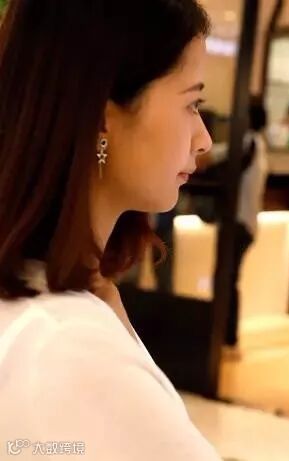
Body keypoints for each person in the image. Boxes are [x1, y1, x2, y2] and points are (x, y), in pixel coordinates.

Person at [0, 1, 221, 459]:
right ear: (103, 117)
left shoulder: (46, 316)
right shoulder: (69, 346)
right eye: (191, 104)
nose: (204, 140)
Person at [221, 98, 269, 354]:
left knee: (227, 279)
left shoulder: (247, 143)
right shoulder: (259, 146)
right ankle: (227, 337)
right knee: (230, 279)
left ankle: (227, 338)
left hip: (239, 222)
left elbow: (222, 157)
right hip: (248, 223)